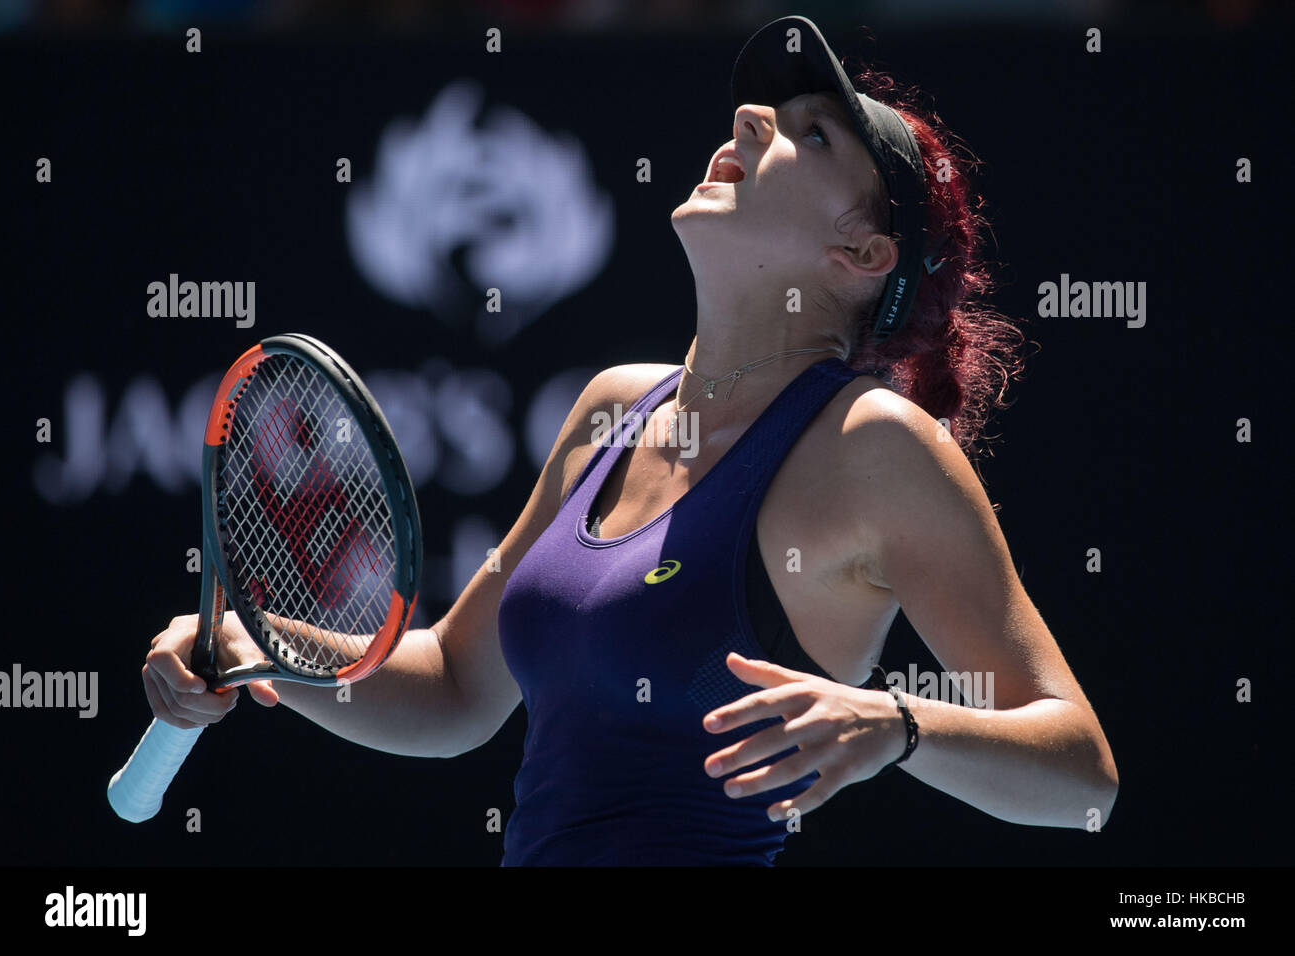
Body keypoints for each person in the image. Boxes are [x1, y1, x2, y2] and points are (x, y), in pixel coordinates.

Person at [142, 15, 1118, 865]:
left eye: (809, 134)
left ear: (861, 255)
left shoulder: (875, 449)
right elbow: (449, 689)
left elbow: (1082, 776)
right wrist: (259, 645)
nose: (749, 121)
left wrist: (898, 723)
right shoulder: (612, 406)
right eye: (767, 112)